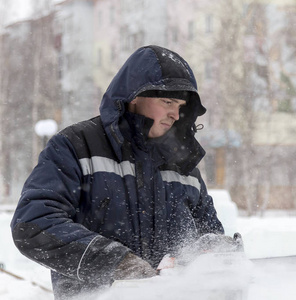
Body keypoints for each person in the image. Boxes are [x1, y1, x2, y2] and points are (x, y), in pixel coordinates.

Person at [10, 45, 235, 299]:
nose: (175, 114)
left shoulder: (184, 164)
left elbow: (208, 231)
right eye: (167, 101)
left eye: (180, 105)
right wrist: (115, 262)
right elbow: (33, 223)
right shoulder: (76, 146)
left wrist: (213, 250)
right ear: (134, 97)